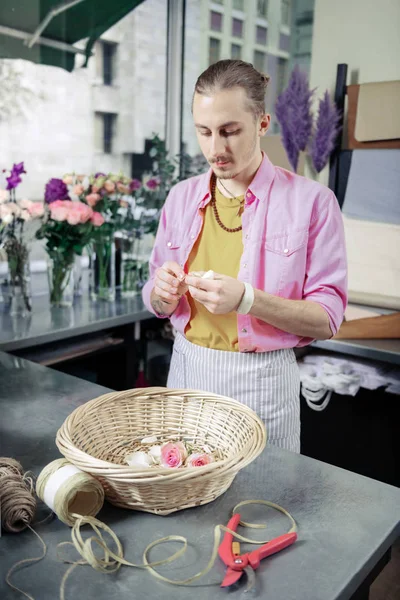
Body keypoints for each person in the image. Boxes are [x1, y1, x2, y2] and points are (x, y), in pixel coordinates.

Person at [142, 59, 347, 453]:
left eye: (230, 131)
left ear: (262, 124)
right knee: (186, 502)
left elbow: (327, 318)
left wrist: (247, 300)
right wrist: (160, 295)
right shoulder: (181, 198)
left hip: (263, 386)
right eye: (204, 132)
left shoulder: (314, 203)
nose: (215, 149)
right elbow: (152, 292)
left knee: (261, 510)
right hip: (186, 374)